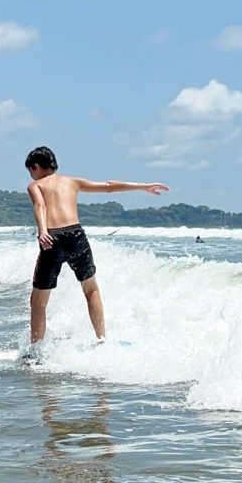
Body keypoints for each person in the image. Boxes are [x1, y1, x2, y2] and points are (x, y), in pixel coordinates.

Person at [24, 146, 169, 347]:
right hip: (76, 235)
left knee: (38, 301)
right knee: (90, 289)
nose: (32, 175)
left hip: (53, 238)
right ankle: (102, 341)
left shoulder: (35, 186)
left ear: (36, 167)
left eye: (31, 171)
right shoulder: (72, 182)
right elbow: (108, 186)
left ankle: (36, 352)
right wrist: (143, 186)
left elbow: (40, 206)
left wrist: (43, 231)